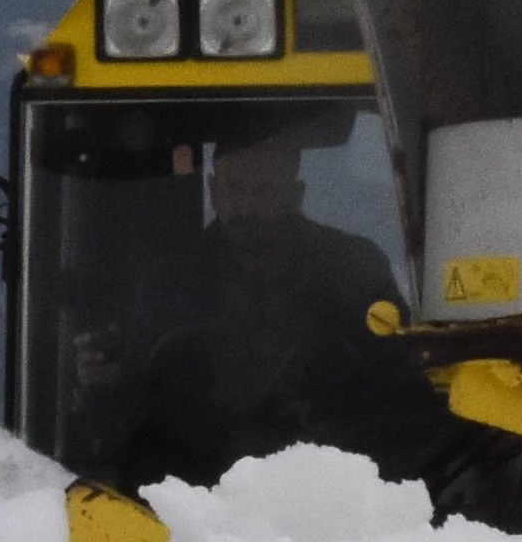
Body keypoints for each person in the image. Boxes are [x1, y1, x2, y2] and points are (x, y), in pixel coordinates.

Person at [101, 131, 434, 490]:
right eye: (233, 188)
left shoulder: (353, 269)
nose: (245, 206)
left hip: (332, 482)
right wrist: (101, 379)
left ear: (296, 195)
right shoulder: (170, 279)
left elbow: (401, 386)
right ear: (212, 190)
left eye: (263, 191)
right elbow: (134, 396)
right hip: (191, 489)